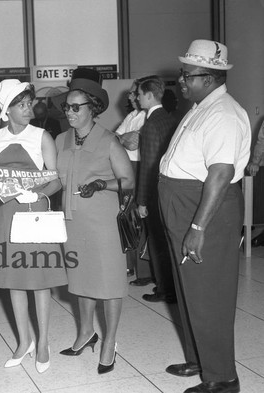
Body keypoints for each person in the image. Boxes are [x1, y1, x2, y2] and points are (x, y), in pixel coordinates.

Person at [159, 40, 250, 393]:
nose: (180, 80)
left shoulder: (223, 114)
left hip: (206, 209)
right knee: (189, 289)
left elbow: (221, 174)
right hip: (184, 203)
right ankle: (201, 358)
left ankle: (223, 377)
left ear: (209, 77)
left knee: (209, 292)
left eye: (187, 75)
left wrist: (198, 227)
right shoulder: (202, 106)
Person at [0, 79, 67, 373]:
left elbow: (55, 178)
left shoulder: (41, 136)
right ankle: (25, 341)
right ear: (6, 110)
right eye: (22, 105)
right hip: (6, 213)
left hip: (33, 209)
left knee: (39, 279)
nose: (29, 110)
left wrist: (38, 193)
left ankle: (43, 343)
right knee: (13, 279)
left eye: (29, 104)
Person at [55, 68, 134, 374]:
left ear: (93, 108)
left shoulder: (109, 141)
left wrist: (103, 183)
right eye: (67, 107)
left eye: (76, 107)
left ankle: (109, 342)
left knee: (110, 284)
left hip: (103, 224)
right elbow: (54, 179)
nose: (69, 112)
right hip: (72, 222)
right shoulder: (61, 139)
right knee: (81, 281)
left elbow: (128, 180)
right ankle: (86, 333)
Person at [135, 75, 177, 303]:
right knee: (166, 241)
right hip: (169, 190)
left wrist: (141, 201)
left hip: (153, 193)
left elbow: (148, 166)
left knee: (156, 241)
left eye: (140, 94)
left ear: (149, 96)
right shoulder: (170, 120)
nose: (137, 97)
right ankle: (172, 286)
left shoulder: (150, 125)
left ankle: (164, 289)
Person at [114, 80, 148, 283]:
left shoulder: (146, 116)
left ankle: (144, 270)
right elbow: (113, 138)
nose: (129, 96)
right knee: (127, 217)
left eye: (133, 93)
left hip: (138, 170)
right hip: (127, 168)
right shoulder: (132, 116)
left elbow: (133, 142)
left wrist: (122, 138)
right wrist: (123, 138)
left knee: (137, 220)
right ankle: (130, 265)